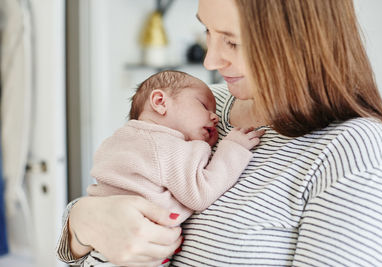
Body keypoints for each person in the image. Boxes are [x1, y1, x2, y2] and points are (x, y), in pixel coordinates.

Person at [57, 0, 382, 266]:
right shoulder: (198, 110)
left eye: (232, 42)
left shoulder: (356, 152)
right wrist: (82, 222)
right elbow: (96, 224)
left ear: (298, 44)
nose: (210, 61)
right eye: (207, 32)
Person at [80, 70, 263, 266]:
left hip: (101, 252)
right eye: (203, 106)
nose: (215, 117)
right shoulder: (166, 146)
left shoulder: (121, 139)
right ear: (160, 101)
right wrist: (232, 149)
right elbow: (200, 193)